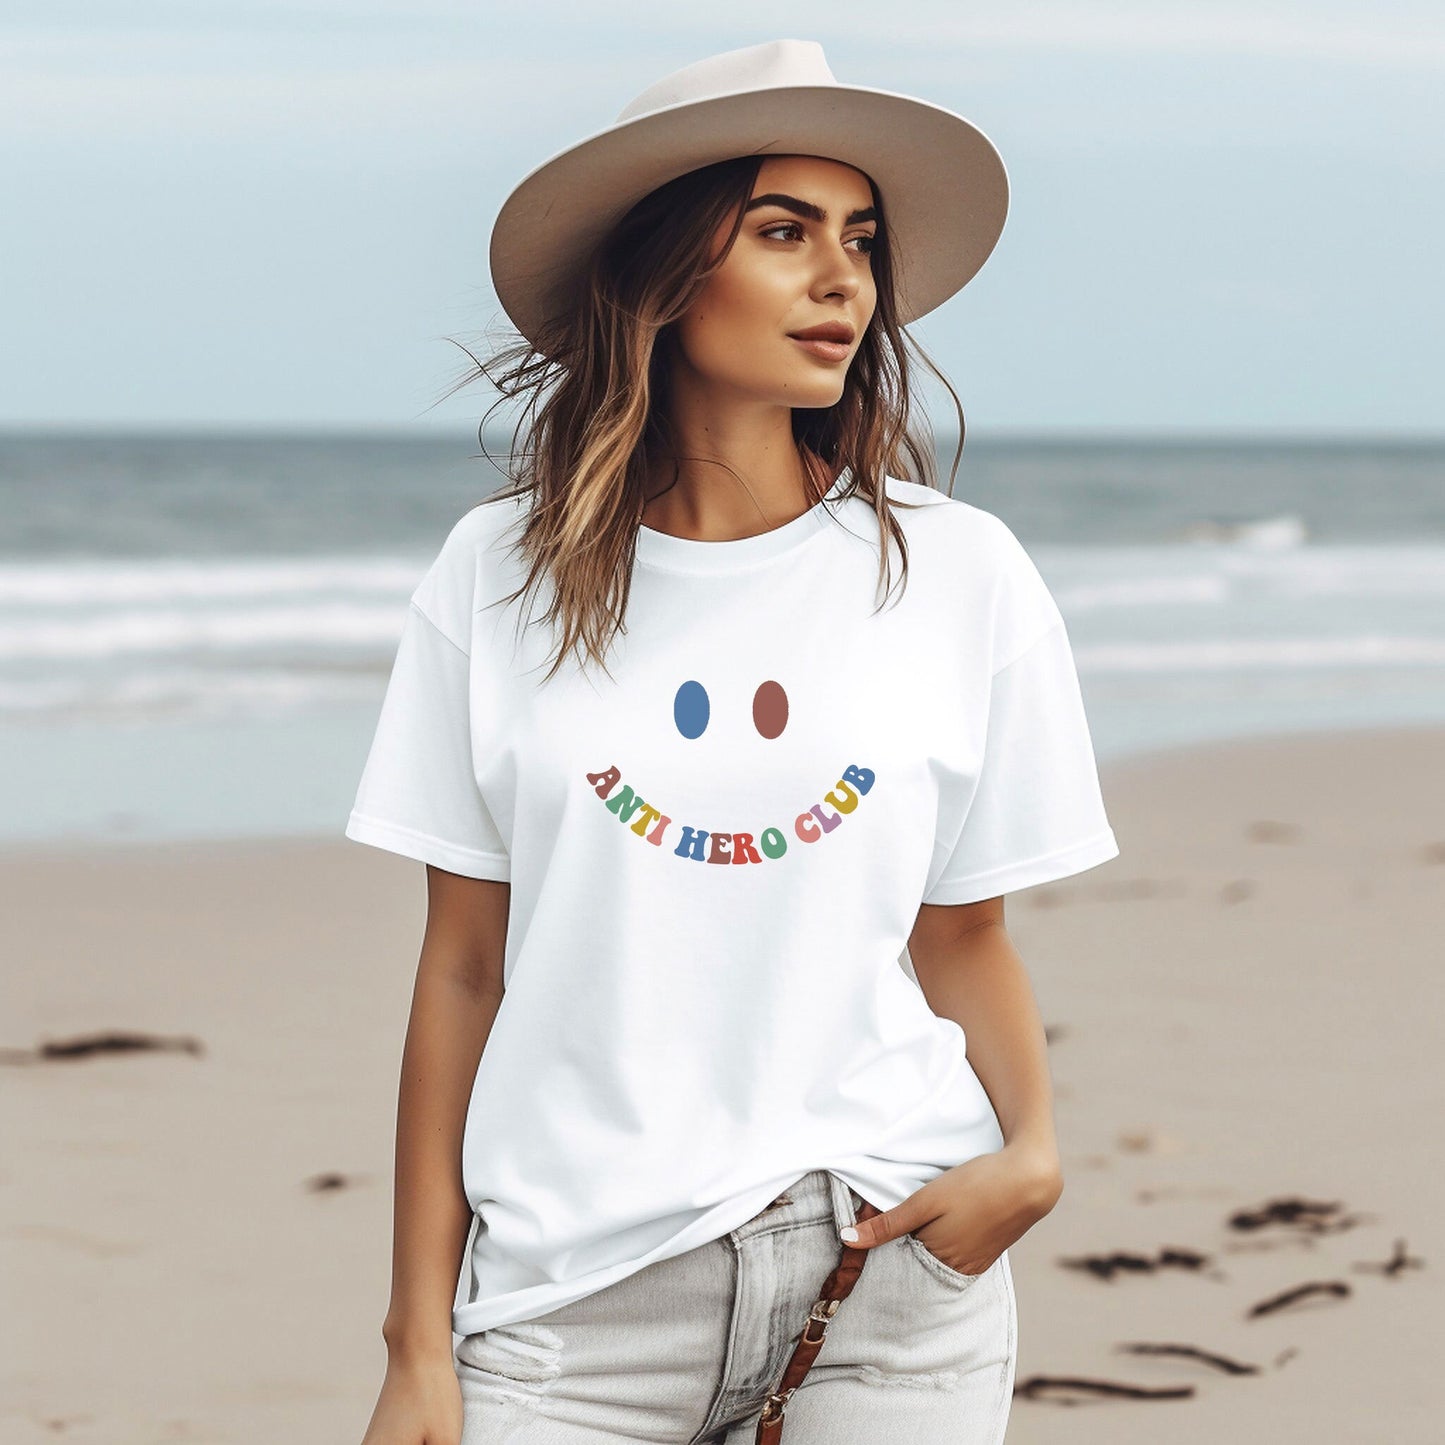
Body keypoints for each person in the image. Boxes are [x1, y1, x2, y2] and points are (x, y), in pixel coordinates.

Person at [346, 38, 1120, 1445]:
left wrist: (1033, 1154)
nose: (841, 278)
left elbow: (962, 934)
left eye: (860, 240)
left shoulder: (957, 574)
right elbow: (461, 966)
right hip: (570, 1302)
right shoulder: (495, 576)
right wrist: (417, 1342)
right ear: (662, 273)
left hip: (884, 1271)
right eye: (781, 231)